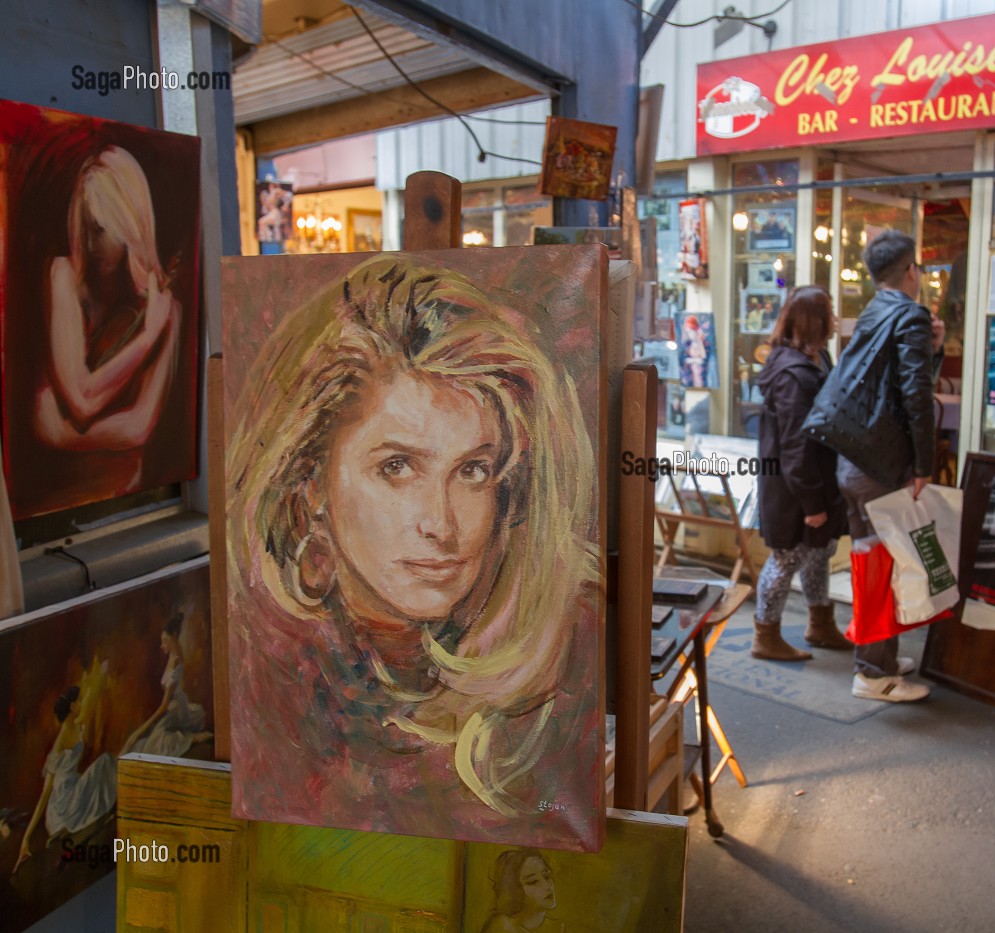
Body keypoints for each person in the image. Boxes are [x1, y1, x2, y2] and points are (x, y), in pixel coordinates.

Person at [226, 257, 598, 829]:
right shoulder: (274, 674)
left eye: (473, 471)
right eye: (397, 466)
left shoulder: (564, 654)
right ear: (311, 483)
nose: (441, 524)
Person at [803, 230, 943, 703]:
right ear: (911, 271)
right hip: (882, 467)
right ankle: (873, 673)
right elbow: (915, 396)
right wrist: (925, 464)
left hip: (855, 460)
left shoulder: (875, 312)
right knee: (885, 566)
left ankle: (877, 658)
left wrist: (933, 347)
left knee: (873, 562)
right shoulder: (910, 314)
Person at [36, 146, 181, 486]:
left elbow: (139, 426)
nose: (89, 244)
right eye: (83, 228)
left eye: (100, 230)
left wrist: (62, 435)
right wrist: (147, 339)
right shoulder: (65, 278)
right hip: (61, 489)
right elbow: (82, 400)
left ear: (128, 226)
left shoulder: (165, 308)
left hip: (128, 486)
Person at [751, 286, 851, 661]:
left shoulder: (814, 358)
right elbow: (796, 445)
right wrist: (812, 502)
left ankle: (820, 624)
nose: (835, 319)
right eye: (829, 313)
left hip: (811, 479)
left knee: (818, 552)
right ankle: (765, 634)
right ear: (816, 321)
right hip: (795, 486)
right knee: (787, 558)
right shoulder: (794, 373)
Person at [13, 684, 116, 874]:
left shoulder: (78, 726)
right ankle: (66, 828)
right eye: (79, 701)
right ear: (72, 706)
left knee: (105, 764)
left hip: (73, 787)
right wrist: (26, 840)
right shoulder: (59, 745)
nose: (82, 704)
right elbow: (45, 794)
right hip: (61, 804)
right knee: (105, 762)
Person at [121, 612, 212, 758]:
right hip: (172, 704)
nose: (162, 646)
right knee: (145, 741)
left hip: (175, 707)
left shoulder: (176, 659)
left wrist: (138, 731)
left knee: (155, 741)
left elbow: (164, 706)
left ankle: (192, 738)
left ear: (174, 636)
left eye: (165, 641)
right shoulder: (172, 656)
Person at [481, 848, 561, 933]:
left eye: (547, 876)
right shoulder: (501, 928)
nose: (548, 886)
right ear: (515, 890)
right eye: (533, 882)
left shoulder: (557, 928)